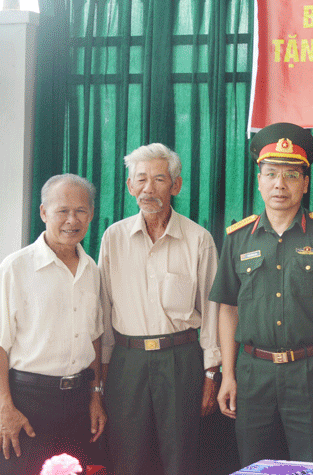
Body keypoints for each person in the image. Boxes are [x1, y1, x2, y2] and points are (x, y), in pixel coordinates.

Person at [209, 122, 313, 465]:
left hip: (312, 371)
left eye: (290, 175)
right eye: (271, 173)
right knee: (253, 463)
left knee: (312, 465)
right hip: (252, 372)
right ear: (259, 180)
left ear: (305, 183)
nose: (279, 184)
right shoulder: (238, 237)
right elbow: (227, 308)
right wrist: (227, 374)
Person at [98, 143, 221, 475]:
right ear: (129, 186)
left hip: (180, 360)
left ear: (176, 186)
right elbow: (104, 309)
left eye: (159, 179)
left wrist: (211, 374)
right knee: (127, 458)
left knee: (181, 458)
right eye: (140, 179)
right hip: (127, 362)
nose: (148, 188)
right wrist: (104, 373)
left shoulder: (198, 239)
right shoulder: (113, 238)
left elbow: (212, 313)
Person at [0, 174, 105, 475]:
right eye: (62, 211)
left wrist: (95, 395)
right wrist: (5, 407)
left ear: (90, 215)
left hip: (77, 404)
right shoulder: (16, 267)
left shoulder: (92, 270)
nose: (71, 220)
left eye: (81, 211)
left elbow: (95, 339)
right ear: (44, 213)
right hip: (26, 403)